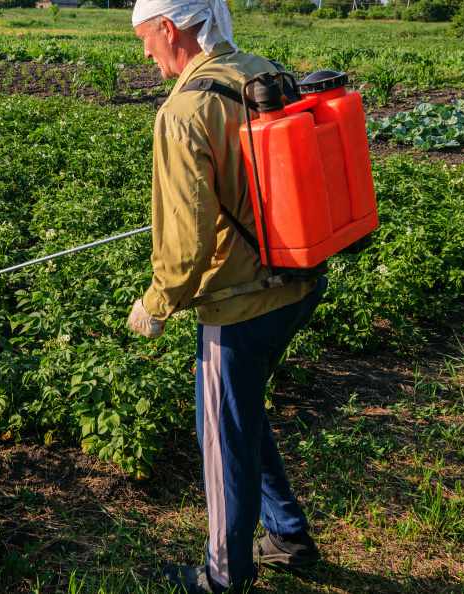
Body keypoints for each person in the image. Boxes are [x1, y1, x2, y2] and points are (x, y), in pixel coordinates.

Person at [124, 0, 326, 592]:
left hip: (242, 301)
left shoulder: (184, 111)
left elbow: (185, 247)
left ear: (168, 28)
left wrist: (157, 303)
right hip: (300, 280)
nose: (144, 52)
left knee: (220, 432)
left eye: (143, 38)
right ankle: (286, 535)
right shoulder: (260, 71)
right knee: (240, 412)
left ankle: (223, 577)